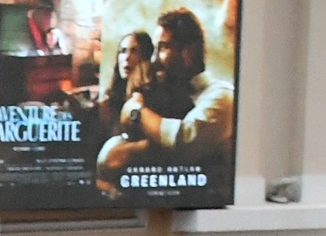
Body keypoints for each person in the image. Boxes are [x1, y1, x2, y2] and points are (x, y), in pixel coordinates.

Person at [96, 8, 233, 197]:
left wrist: (137, 110)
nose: (153, 59)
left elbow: (183, 142)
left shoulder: (221, 96)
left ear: (188, 52)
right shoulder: (169, 97)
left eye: (163, 47)